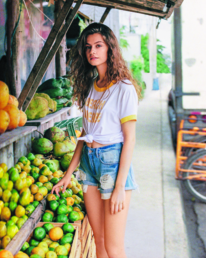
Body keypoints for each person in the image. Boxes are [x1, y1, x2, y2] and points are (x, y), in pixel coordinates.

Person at [51, 23, 142, 258]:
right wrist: (68, 174)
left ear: (110, 49)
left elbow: (130, 139)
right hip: (88, 165)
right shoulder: (92, 86)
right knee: (99, 241)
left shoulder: (124, 87)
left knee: (113, 247)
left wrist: (120, 187)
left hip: (112, 163)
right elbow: (85, 132)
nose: (93, 51)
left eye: (99, 45)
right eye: (89, 46)